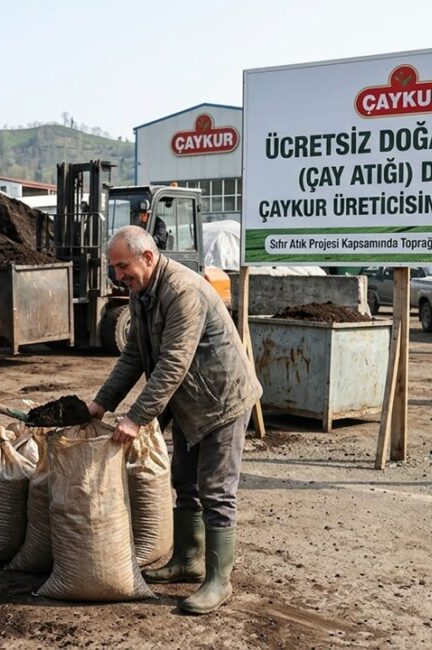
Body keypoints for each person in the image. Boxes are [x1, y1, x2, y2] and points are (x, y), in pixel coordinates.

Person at [86, 225, 262, 615]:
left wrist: (135, 419)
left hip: (220, 400)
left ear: (148, 257)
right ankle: (188, 559)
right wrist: (101, 403)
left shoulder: (182, 290)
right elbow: (134, 355)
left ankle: (219, 581)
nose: (119, 276)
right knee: (184, 482)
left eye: (122, 267)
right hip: (188, 402)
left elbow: (173, 364)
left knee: (216, 490)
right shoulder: (141, 292)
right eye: (114, 268)